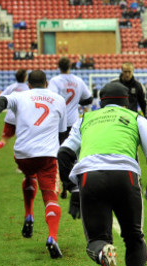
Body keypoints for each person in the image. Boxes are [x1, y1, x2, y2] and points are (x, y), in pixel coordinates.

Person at [57, 82, 147, 266]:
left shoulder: (85, 119)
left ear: (101, 101)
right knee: (134, 237)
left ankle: (102, 253)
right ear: (127, 100)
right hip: (125, 176)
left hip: (90, 177)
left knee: (96, 240)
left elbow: (64, 154)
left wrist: (72, 188)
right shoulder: (136, 118)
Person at [0, 70, 67, 258]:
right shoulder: (58, 99)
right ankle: (52, 237)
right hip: (47, 157)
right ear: (46, 83)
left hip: (22, 156)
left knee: (29, 175)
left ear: (28, 84)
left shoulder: (18, 96)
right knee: (50, 196)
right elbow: (63, 134)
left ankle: (29, 213)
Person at [48, 57, 94, 198]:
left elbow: (52, 98)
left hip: (59, 123)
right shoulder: (78, 80)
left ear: (59, 66)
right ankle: (76, 182)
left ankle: (63, 186)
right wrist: (76, 102)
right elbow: (89, 99)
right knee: (73, 154)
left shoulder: (55, 81)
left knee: (60, 154)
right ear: (70, 66)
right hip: (74, 123)